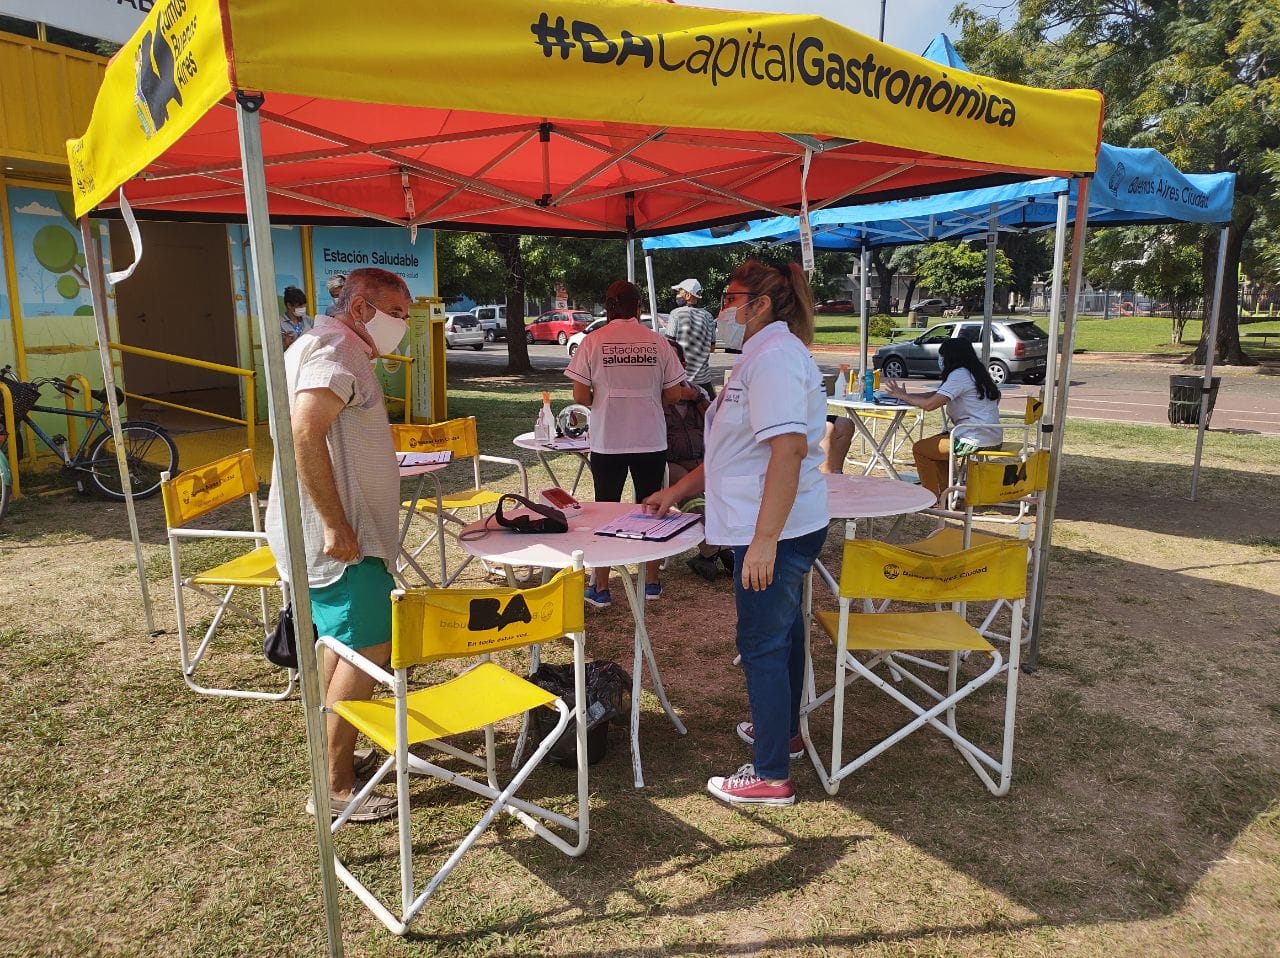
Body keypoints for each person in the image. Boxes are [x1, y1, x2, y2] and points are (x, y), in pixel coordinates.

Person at [644, 259, 829, 807]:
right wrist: (676, 492)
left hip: (772, 529)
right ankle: (785, 734)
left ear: (762, 304)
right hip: (778, 523)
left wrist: (765, 541)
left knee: (762, 644)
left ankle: (770, 774)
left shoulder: (773, 359)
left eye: (731, 296)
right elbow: (735, 453)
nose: (721, 307)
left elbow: (788, 451)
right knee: (783, 634)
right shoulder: (762, 356)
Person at [265, 267, 412, 823]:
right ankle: (338, 787)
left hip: (330, 535)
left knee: (340, 644)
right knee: (368, 646)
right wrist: (336, 523)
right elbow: (307, 431)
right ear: (361, 308)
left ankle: (338, 752)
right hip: (342, 540)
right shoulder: (339, 348)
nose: (403, 325)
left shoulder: (318, 340)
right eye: (397, 313)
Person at [565, 280, 690, 608]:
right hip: (650, 437)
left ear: (608, 307)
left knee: (605, 508)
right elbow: (675, 392)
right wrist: (649, 400)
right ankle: (651, 581)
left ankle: (602, 585)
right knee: (651, 507)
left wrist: (604, 400)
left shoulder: (593, 341)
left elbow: (580, 396)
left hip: (609, 439)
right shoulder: (657, 342)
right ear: (638, 308)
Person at [882, 337, 1003, 495]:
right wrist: (907, 395)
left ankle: (930, 496)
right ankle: (946, 494)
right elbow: (936, 395)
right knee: (935, 448)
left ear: (951, 356)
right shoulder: (976, 372)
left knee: (920, 449)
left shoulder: (960, 374)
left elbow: (930, 405)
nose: (941, 360)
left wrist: (902, 396)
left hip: (974, 438)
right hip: (992, 436)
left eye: (942, 356)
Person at [663, 340, 733, 582]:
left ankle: (714, 553)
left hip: (703, 459)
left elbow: (718, 423)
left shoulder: (698, 392)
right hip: (669, 464)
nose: (669, 367)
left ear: (682, 364)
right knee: (686, 486)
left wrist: (696, 398)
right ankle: (716, 549)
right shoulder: (653, 396)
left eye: (674, 361)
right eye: (664, 362)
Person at [669, 278, 719, 398]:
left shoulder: (676, 314)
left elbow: (670, 347)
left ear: (687, 295)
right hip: (704, 381)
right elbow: (712, 348)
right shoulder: (708, 316)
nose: (677, 295)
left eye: (679, 292)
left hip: (683, 381)